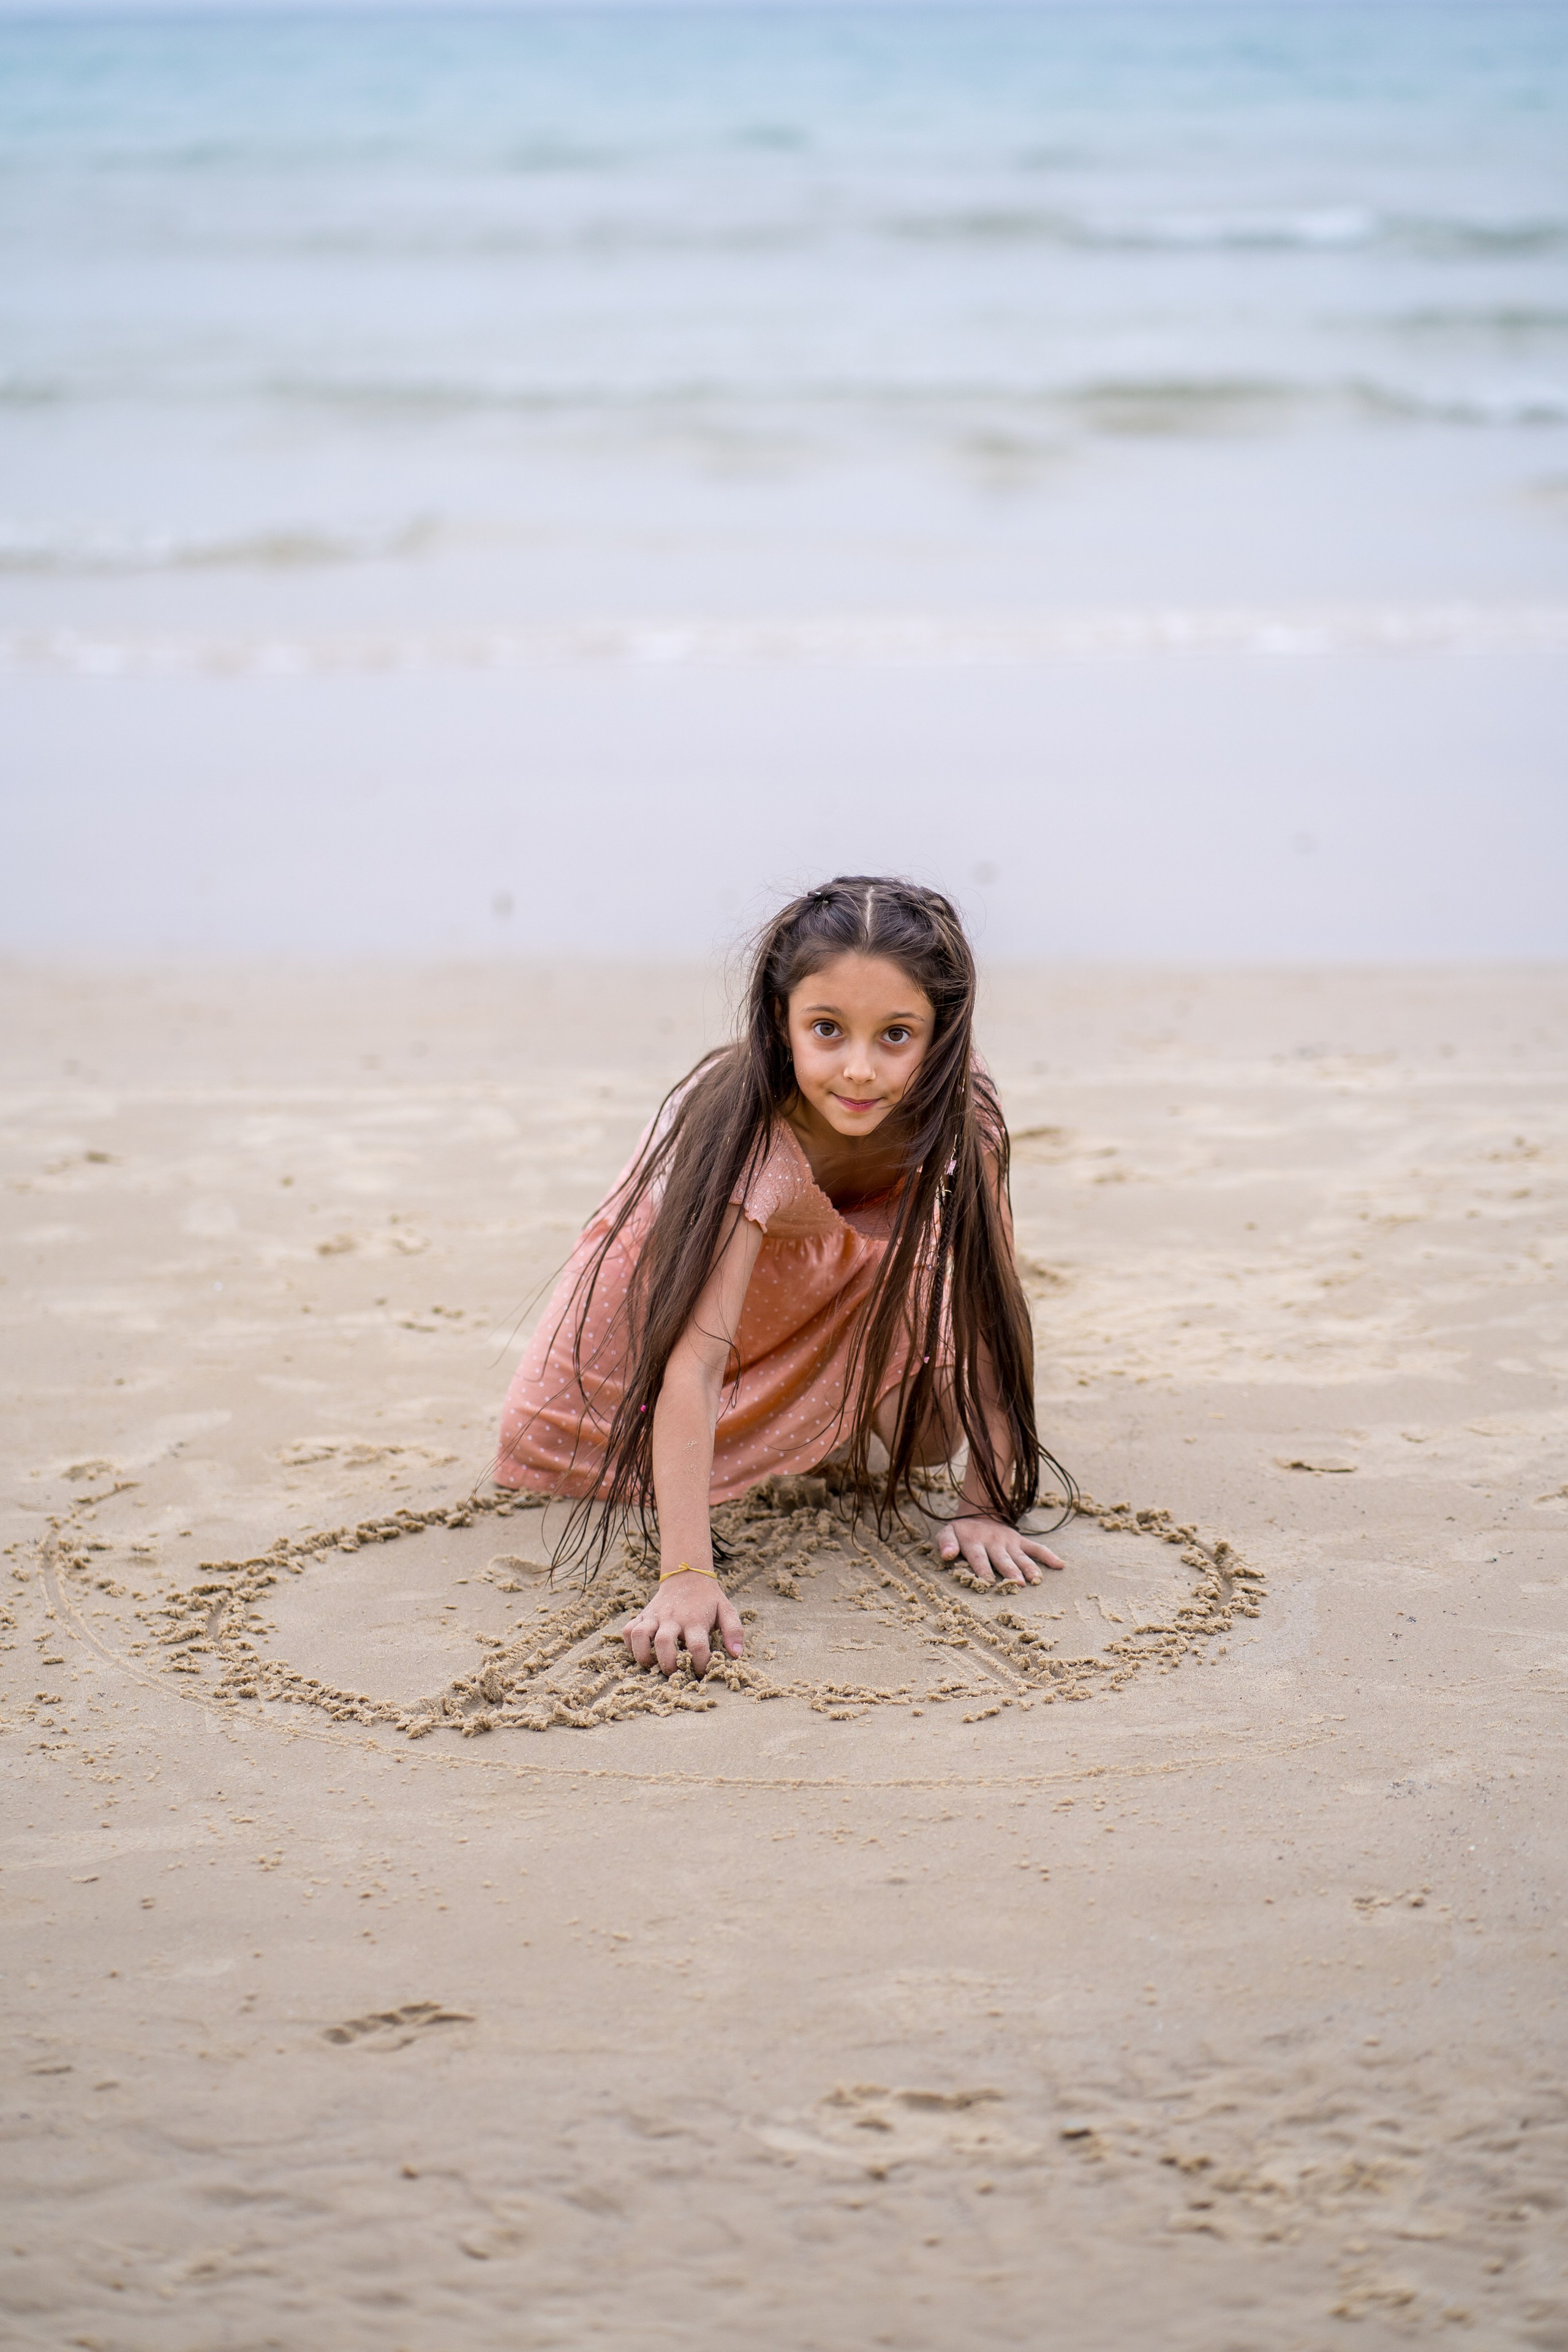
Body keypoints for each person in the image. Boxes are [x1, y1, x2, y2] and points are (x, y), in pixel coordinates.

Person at [494, 875, 1071, 1678]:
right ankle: (796, 1422)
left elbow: (992, 1312)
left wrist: (987, 1506)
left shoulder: (963, 1120)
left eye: (896, 1035)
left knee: (934, 1435)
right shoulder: (751, 1138)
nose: (860, 1070)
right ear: (780, 1020)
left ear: (943, 1033)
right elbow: (693, 1362)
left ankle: (823, 1412)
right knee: (579, 1459)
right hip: (687, 1291)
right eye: (827, 1029)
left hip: (841, 1271)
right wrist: (686, 1575)